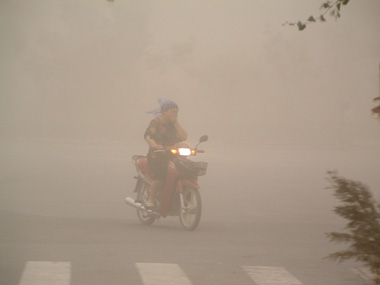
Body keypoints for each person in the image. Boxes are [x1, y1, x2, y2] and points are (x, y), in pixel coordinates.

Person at [144, 98, 188, 208]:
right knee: (159, 175)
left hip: (172, 153)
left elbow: (184, 136)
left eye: (176, 112)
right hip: (157, 155)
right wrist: (154, 146)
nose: (175, 114)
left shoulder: (174, 124)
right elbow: (148, 136)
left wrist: (176, 122)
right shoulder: (156, 122)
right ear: (164, 111)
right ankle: (151, 199)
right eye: (172, 111)